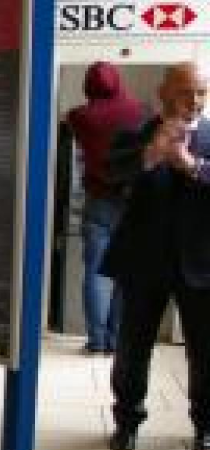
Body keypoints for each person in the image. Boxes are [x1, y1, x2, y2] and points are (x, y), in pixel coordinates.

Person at [101, 62, 210, 450]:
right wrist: (151, 154)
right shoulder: (135, 134)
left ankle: (205, 428)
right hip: (143, 263)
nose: (194, 101)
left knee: (205, 351)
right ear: (163, 92)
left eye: (201, 92)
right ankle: (126, 423)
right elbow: (109, 177)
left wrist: (194, 166)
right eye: (185, 92)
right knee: (132, 348)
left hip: (201, 266)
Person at [66, 61, 146, 354]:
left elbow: (70, 125)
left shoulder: (79, 116)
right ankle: (115, 339)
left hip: (98, 201)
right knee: (125, 273)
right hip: (132, 204)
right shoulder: (141, 110)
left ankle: (96, 340)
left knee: (96, 274)